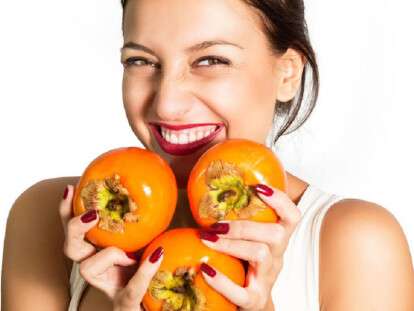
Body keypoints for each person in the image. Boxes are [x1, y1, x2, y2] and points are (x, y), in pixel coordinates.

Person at [2, 0, 414, 310]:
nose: (166, 104)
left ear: (287, 73)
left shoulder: (356, 244)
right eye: (141, 60)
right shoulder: (46, 221)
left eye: (211, 59)